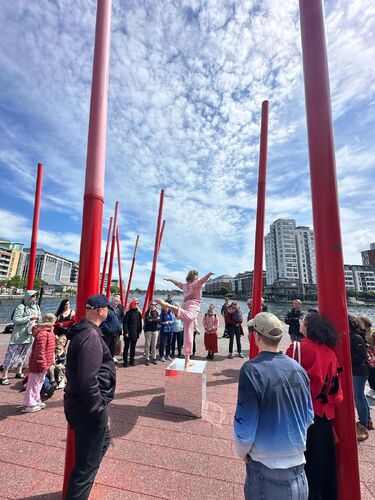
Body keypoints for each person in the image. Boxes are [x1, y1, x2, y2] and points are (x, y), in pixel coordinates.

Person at [235, 312, 313, 500]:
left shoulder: (252, 370)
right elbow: (309, 415)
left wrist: (242, 451)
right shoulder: (297, 368)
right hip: (300, 471)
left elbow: (244, 424)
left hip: (266, 470)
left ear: (257, 336)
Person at [286, 312, 343, 500]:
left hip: (302, 415)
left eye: (303, 320)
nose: (300, 322)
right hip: (325, 415)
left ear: (308, 327)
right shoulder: (331, 352)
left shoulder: (298, 349)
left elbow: (285, 383)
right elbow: (337, 395)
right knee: (323, 466)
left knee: (301, 464)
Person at [64, 294, 116, 500]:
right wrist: (98, 408)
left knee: (103, 442)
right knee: (86, 467)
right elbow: (87, 379)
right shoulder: (91, 337)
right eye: (108, 309)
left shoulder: (84, 331)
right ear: (102, 310)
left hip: (80, 403)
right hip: (88, 408)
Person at [157, 270, 214, 368]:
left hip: (185, 305)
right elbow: (203, 280)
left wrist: (171, 280)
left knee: (188, 334)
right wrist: (208, 275)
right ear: (195, 276)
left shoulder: (185, 285)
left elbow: (178, 284)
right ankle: (169, 306)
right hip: (194, 304)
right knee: (190, 316)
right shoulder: (196, 283)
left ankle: (187, 360)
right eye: (197, 276)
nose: (197, 277)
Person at [0, 290, 41, 385]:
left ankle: (19, 371)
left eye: (35, 296)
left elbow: (39, 317)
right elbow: (16, 319)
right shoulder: (21, 307)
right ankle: (4, 375)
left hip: (30, 334)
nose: (34, 298)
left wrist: (38, 319)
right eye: (32, 296)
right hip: (19, 335)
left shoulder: (36, 307)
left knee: (23, 354)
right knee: (11, 355)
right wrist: (29, 318)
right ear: (28, 297)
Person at [21, 313, 56, 413]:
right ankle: (29, 403)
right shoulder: (44, 334)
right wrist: (43, 363)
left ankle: (35, 399)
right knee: (33, 383)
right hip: (39, 363)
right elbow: (40, 351)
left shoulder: (46, 333)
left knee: (39, 382)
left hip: (43, 363)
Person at [348, 315, 371, 440]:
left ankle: (363, 425)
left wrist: (347, 360)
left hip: (359, 371)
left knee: (358, 397)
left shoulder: (355, 337)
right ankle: (367, 421)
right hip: (358, 370)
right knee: (360, 396)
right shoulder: (356, 335)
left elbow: (362, 355)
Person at [357, 315, 375, 400]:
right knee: (369, 375)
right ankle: (372, 388)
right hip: (365, 357)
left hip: (372, 356)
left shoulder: (372, 332)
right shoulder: (360, 332)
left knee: (372, 373)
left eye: (360, 322)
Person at [122, 298, 142, 367]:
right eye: (135, 303)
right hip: (128, 333)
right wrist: (126, 332)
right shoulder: (128, 313)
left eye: (137, 303)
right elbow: (125, 323)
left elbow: (139, 323)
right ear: (132, 304)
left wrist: (139, 331)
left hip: (135, 333)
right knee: (126, 347)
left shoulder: (138, 313)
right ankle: (125, 361)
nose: (136, 305)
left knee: (133, 348)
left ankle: (131, 360)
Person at [143, 301, 160, 365]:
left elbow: (159, 321)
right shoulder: (147, 312)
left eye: (154, 304)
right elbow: (147, 321)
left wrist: (152, 319)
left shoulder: (157, 312)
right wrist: (155, 319)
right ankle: (147, 358)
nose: (153, 305)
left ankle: (154, 357)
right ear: (150, 305)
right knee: (147, 345)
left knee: (154, 345)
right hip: (148, 330)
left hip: (155, 330)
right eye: (152, 304)